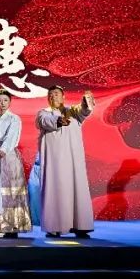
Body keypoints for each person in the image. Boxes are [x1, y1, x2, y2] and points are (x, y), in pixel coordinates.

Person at [37, 86, 95, 238]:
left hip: (73, 160)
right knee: (54, 189)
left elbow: (85, 110)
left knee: (77, 189)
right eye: (50, 94)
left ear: (63, 96)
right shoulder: (44, 113)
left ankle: (80, 226)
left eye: (56, 93)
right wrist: (58, 121)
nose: (53, 96)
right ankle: (54, 226)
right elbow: (43, 121)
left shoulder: (73, 111)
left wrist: (86, 100)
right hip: (54, 163)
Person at [0, 90, 32, 239]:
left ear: (10, 101)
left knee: (11, 189)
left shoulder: (14, 118)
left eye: (5, 100)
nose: (2, 103)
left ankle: (14, 226)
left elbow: (12, 136)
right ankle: (0, 225)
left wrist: (3, 149)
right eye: (0, 100)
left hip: (9, 155)